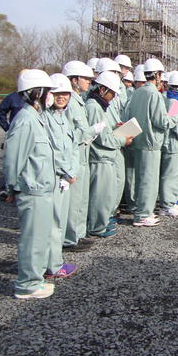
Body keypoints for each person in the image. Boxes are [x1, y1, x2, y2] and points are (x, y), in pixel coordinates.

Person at [3, 69, 57, 299]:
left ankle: (35, 279)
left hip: (42, 189)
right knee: (32, 240)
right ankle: (27, 285)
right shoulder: (25, 120)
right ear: (36, 93)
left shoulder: (36, 118)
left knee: (41, 237)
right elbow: (13, 158)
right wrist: (11, 187)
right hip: (31, 190)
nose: (50, 97)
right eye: (47, 92)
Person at [125, 58, 175, 226]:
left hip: (138, 140)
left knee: (141, 178)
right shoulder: (154, 94)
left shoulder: (138, 92)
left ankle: (142, 210)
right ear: (158, 74)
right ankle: (143, 214)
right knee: (149, 180)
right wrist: (175, 116)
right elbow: (161, 121)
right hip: (151, 142)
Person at [61, 61, 104, 252]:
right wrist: (90, 132)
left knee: (81, 199)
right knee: (73, 201)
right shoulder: (69, 103)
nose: (89, 82)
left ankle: (78, 234)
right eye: (85, 79)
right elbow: (68, 136)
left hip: (83, 154)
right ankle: (70, 239)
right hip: (74, 156)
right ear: (73, 80)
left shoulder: (78, 100)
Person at [85, 71, 133, 237]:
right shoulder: (94, 107)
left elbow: (104, 130)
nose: (113, 97)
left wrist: (115, 127)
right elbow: (102, 139)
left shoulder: (99, 106)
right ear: (102, 89)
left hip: (105, 157)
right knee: (99, 195)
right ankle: (96, 227)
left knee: (104, 194)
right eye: (112, 93)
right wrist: (122, 140)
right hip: (99, 157)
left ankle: (100, 223)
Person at [43, 73, 78, 279]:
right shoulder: (45, 119)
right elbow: (50, 152)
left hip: (66, 178)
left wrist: (72, 172)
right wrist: (66, 171)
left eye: (65, 93)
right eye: (57, 93)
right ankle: (52, 266)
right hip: (54, 178)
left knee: (59, 222)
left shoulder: (63, 118)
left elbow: (71, 148)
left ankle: (54, 261)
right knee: (53, 223)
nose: (62, 97)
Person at [158, 71, 178, 216]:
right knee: (170, 174)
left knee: (168, 173)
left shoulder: (165, 99)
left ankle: (169, 201)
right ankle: (167, 204)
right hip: (173, 143)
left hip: (168, 142)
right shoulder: (175, 103)